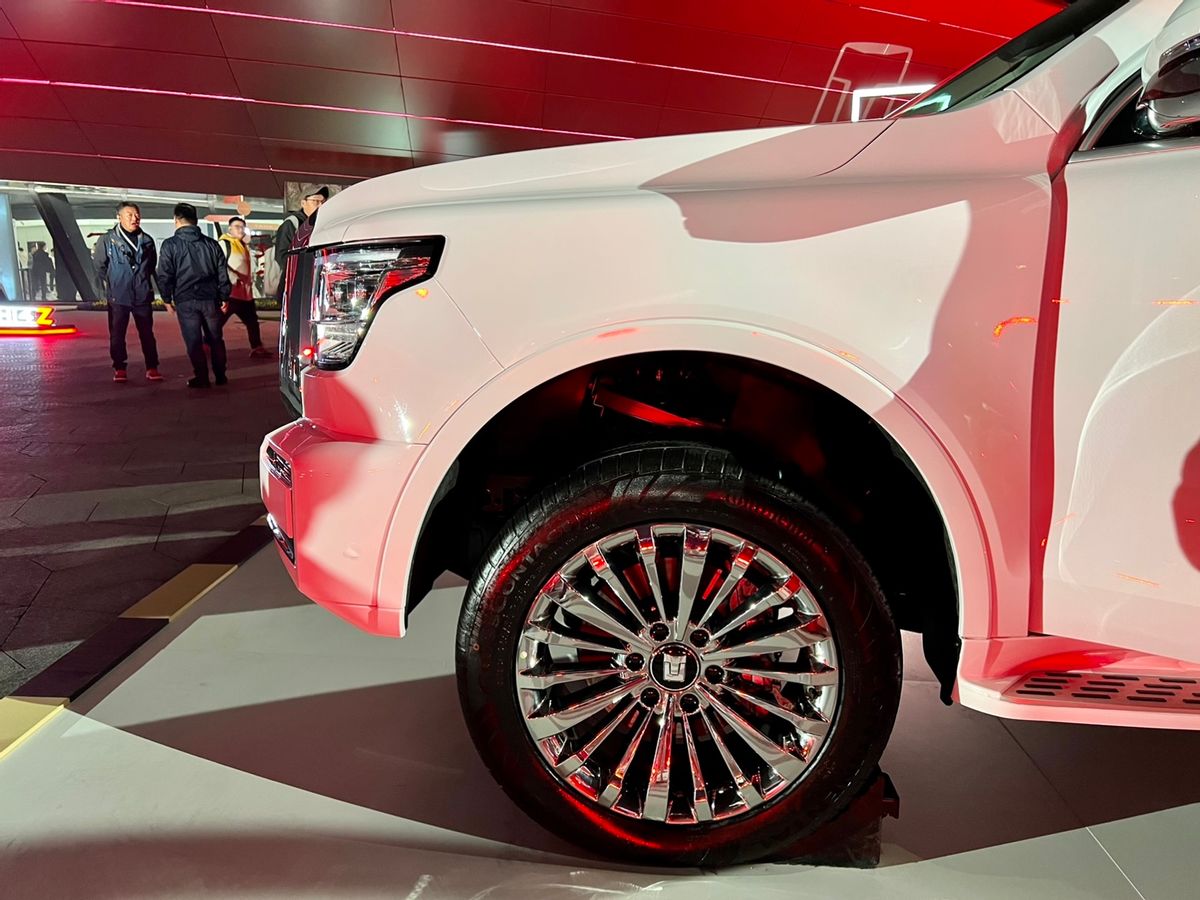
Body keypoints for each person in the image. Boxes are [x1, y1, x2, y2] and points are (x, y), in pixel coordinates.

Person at [157, 203, 231, 388]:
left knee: (194, 341)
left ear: (176, 220)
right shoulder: (211, 244)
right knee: (215, 339)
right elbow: (222, 272)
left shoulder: (170, 245)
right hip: (210, 299)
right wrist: (224, 296)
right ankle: (220, 375)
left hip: (186, 299)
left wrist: (166, 298)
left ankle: (202, 377)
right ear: (196, 220)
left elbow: (164, 274)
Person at [93, 202, 162, 383]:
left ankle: (152, 366)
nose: (134, 218)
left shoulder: (147, 240)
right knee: (117, 334)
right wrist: (115, 281)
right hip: (119, 296)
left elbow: (151, 266)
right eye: (129, 215)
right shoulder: (107, 240)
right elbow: (99, 266)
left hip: (142, 294)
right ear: (119, 217)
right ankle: (120, 368)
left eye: (137, 214)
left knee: (147, 334)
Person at [217, 216, 269, 358]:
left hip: (245, 294)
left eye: (242, 227)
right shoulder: (224, 244)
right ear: (230, 229)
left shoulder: (243, 245)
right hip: (230, 293)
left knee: (252, 322)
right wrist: (234, 278)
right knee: (218, 321)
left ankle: (257, 347)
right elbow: (220, 265)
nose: (240, 230)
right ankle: (207, 343)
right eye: (237, 227)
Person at [272, 185, 327, 300]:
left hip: (314, 284)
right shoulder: (292, 223)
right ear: (303, 203)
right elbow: (281, 256)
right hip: (294, 286)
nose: (320, 205)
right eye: (316, 201)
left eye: (323, 202)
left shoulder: (321, 224)